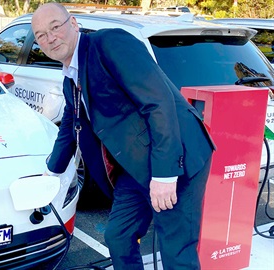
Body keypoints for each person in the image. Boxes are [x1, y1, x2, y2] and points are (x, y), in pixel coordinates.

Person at [32, 3, 215, 270]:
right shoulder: (70, 77)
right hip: (134, 166)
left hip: (176, 157)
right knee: (118, 236)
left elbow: (158, 102)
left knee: (176, 251)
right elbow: (70, 127)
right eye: (41, 35)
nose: (50, 38)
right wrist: (51, 173)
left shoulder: (110, 43)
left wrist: (164, 175)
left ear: (73, 24)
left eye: (55, 27)